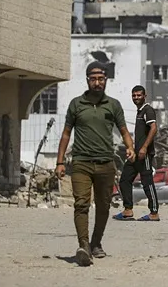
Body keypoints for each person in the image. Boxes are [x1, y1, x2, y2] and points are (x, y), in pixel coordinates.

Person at [55, 62, 136, 267]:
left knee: (103, 206)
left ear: (106, 80)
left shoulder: (113, 105)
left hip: (106, 164)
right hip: (81, 162)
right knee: (81, 204)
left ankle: (96, 242)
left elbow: (124, 130)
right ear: (88, 80)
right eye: (93, 79)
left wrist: (130, 147)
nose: (97, 82)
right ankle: (84, 246)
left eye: (101, 79)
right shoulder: (76, 104)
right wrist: (60, 161)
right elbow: (66, 134)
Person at [113, 85, 160, 222]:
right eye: (134, 95)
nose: (136, 98)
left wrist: (144, 148)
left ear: (145, 96)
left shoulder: (148, 110)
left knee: (147, 182)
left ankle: (154, 213)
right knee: (125, 179)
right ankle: (128, 210)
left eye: (139, 95)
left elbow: (153, 128)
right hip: (136, 154)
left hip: (144, 154)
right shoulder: (140, 112)